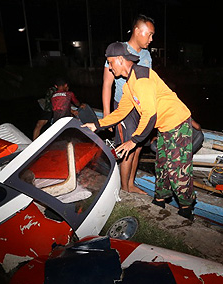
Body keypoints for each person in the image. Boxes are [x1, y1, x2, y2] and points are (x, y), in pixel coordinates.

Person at [82, 42, 196, 220]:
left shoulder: (142, 79)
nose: (110, 68)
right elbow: (121, 112)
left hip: (177, 122)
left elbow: (149, 115)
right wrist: (97, 125)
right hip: (164, 126)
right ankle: (159, 201)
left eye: (110, 63)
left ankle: (186, 209)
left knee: (177, 169)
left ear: (120, 60)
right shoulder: (129, 85)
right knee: (162, 164)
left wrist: (134, 140)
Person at [101, 15, 155, 194]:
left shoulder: (146, 55)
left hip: (140, 108)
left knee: (137, 147)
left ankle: (130, 184)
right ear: (138, 31)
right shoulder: (117, 52)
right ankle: (124, 190)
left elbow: (148, 83)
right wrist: (108, 116)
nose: (151, 39)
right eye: (149, 34)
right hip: (123, 108)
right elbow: (107, 85)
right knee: (127, 149)